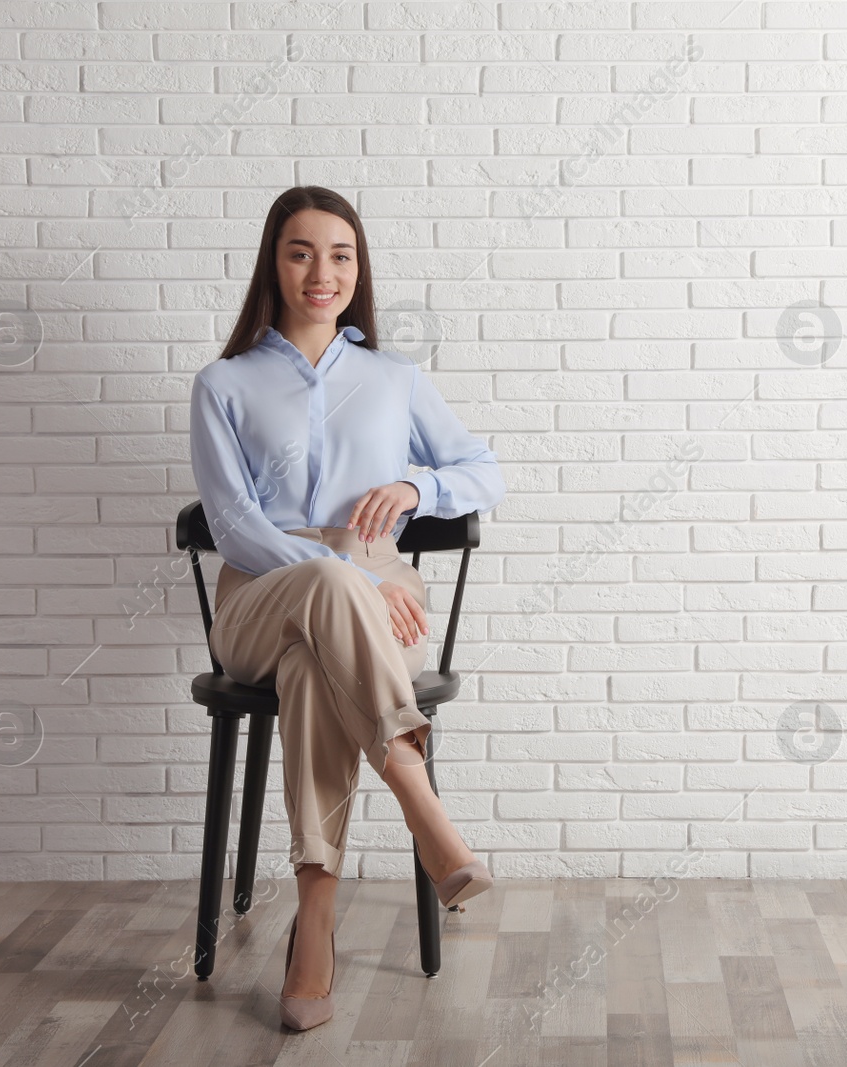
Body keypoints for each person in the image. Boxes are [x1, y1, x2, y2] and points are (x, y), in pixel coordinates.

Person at [188, 185, 504, 1031]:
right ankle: (416, 790)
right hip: (263, 592)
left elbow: (484, 472)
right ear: (273, 263)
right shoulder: (223, 382)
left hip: (364, 608)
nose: (321, 272)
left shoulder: (394, 377)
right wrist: (354, 575)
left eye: (340, 254)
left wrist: (416, 484)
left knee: (312, 672)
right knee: (326, 590)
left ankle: (315, 922)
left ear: (357, 269)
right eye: (300, 252)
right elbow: (232, 524)